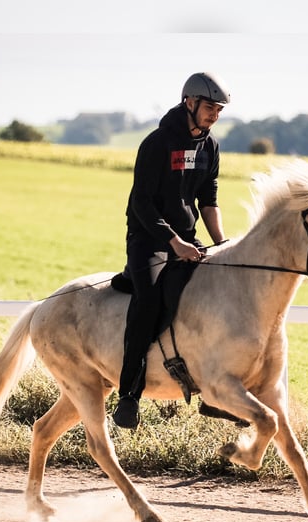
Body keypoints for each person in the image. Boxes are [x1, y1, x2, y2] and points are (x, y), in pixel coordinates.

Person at [112, 72, 231, 429]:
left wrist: (223, 245)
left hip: (187, 239)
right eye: (210, 107)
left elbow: (208, 201)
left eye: (219, 109)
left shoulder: (210, 147)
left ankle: (214, 394)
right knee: (148, 303)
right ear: (189, 103)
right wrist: (173, 242)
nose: (215, 115)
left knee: (216, 296)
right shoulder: (156, 143)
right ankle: (128, 396)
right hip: (149, 240)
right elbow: (143, 204)